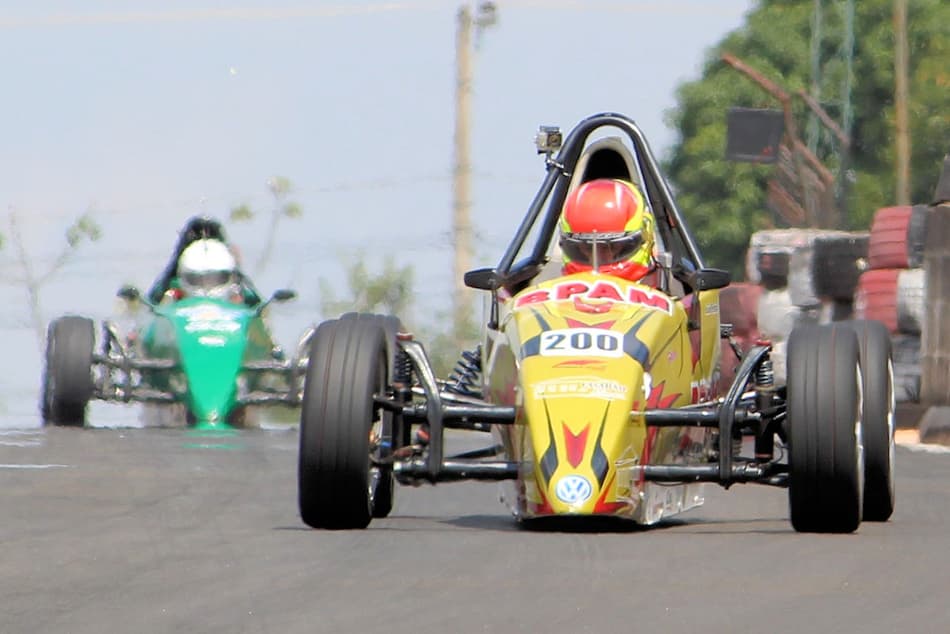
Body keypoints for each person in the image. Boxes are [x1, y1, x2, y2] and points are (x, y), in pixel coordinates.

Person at [559, 178, 656, 282]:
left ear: (644, 239)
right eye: (588, 248)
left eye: (611, 247)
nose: (597, 258)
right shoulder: (551, 294)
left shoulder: (669, 288)